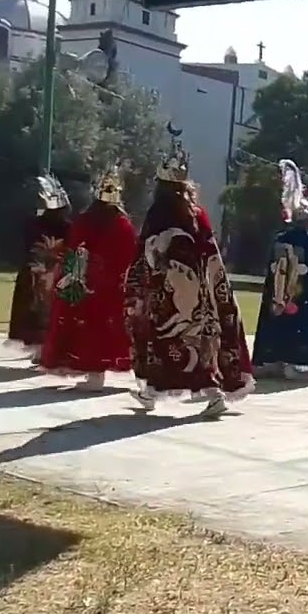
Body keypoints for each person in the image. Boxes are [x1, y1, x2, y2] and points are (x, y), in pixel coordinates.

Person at [124, 136, 253, 418]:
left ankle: (210, 393)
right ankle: (152, 392)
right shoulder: (197, 213)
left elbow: (147, 249)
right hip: (201, 294)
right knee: (196, 344)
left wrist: (138, 286)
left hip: (168, 292)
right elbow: (211, 254)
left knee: (165, 342)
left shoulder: (159, 212)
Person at [38, 166, 137, 389]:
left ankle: (93, 374)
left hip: (85, 285)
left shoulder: (86, 220)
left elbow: (75, 249)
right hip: (113, 287)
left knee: (87, 327)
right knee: (110, 327)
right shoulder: (123, 224)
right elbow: (131, 254)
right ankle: (101, 373)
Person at [251, 160, 308, 380]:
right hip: (302, 298)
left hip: (282, 298)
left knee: (279, 323)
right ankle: (299, 360)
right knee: (302, 325)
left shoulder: (280, 240)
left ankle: (275, 358)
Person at [7, 174, 72, 359]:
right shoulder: (65, 226)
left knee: (39, 312)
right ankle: (45, 350)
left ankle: (43, 350)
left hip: (43, 274)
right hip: (47, 274)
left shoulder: (35, 224)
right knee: (44, 312)